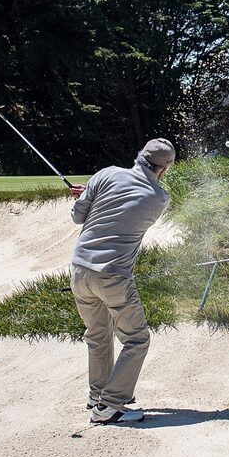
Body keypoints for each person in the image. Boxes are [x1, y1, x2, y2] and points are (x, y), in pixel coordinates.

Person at [69, 138, 175, 424]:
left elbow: (79, 217)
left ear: (139, 155)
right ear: (164, 169)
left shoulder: (105, 175)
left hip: (79, 269)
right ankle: (110, 406)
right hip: (113, 275)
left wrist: (86, 196)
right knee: (137, 339)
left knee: (97, 335)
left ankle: (97, 395)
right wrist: (93, 197)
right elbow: (125, 210)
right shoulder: (159, 199)